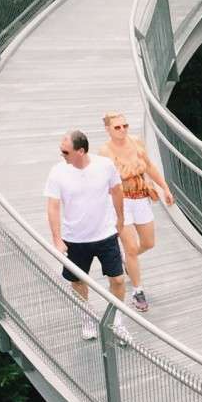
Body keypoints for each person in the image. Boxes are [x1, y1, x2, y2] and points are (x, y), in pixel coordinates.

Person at [45, 129, 128, 341]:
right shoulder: (58, 172)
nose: (62, 155)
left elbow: (117, 190)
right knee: (78, 281)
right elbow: (53, 206)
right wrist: (57, 238)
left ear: (80, 151)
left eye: (65, 151)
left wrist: (120, 219)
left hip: (105, 234)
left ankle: (117, 320)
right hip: (75, 238)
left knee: (118, 279)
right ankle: (88, 317)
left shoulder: (105, 166)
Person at [102, 110, 174, 314]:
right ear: (108, 129)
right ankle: (137, 289)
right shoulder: (106, 151)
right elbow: (118, 175)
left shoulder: (136, 142)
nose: (122, 130)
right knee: (131, 247)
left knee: (149, 243)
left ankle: (127, 260)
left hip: (140, 197)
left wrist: (164, 187)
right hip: (121, 202)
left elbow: (149, 166)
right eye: (117, 127)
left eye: (125, 126)